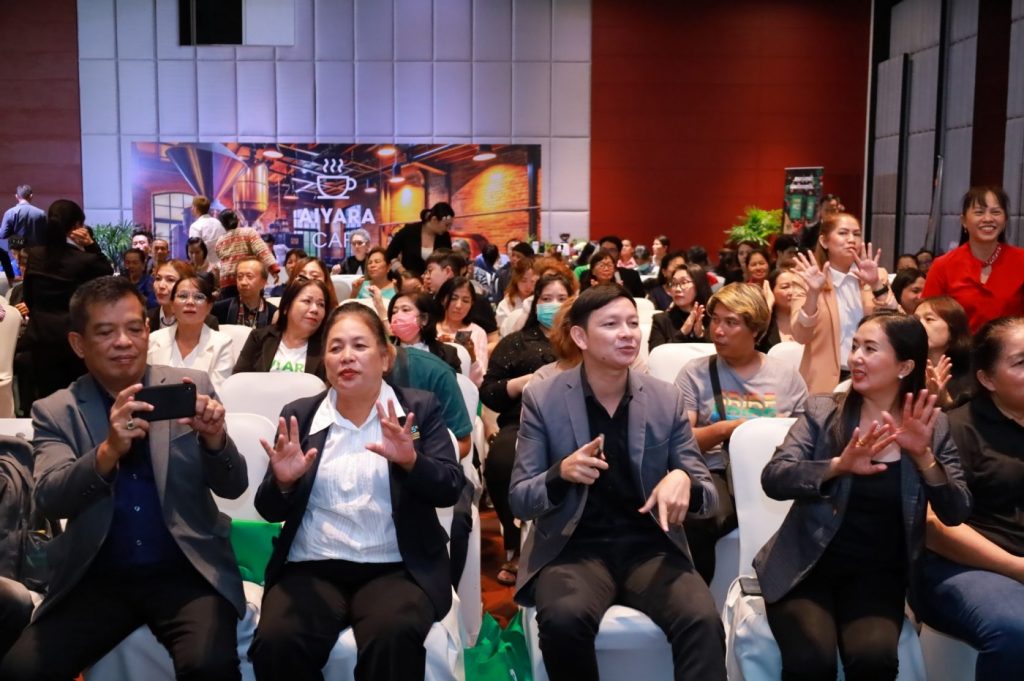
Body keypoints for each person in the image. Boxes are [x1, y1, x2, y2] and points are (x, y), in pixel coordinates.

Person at [0, 276, 247, 681]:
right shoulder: (57, 410)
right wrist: (108, 452)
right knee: (20, 671)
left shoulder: (190, 387)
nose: (123, 342)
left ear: (148, 331)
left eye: (134, 328)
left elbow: (233, 487)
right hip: (98, 576)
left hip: (186, 571)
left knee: (210, 666)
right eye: (105, 332)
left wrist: (215, 440)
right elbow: (49, 498)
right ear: (79, 344)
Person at [509, 285, 726, 681]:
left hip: (651, 548)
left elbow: (709, 497)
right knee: (563, 618)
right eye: (611, 325)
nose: (627, 333)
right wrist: (561, 474)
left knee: (702, 620)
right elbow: (521, 500)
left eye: (632, 323)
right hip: (574, 550)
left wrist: (683, 479)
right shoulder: (543, 398)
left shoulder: (664, 398)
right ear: (580, 337)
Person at [247, 303, 464, 681]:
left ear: (385, 358)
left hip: (396, 566)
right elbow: (268, 510)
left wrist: (412, 461)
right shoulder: (301, 415)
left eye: (359, 346)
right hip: (311, 564)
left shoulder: (415, 411)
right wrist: (283, 482)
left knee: (391, 637)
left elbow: (449, 488)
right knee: (278, 641)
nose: (346, 356)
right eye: (335, 348)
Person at [753, 311, 971, 681]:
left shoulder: (933, 427)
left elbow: (956, 511)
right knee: (811, 662)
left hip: (878, 576)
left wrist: (923, 457)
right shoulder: (823, 412)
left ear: (904, 366)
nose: (855, 358)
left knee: (874, 662)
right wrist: (837, 466)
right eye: (855, 347)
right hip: (806, 568)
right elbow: (774, 478)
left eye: (870, 349)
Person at [675, 283, 808, 582]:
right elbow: (682, 441)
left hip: (773, 469)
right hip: (717, 470)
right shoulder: (695, 373)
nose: (718, 330)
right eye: (715, 320)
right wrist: (729, 429)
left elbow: (807, 439)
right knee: (700, 516)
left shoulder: (786, 376)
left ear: (756, 330)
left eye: (731, 322)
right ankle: (695, 595)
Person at [917, 316, 1024, 678]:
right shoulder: (956, 428)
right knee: (1017, 630)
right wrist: (1017, 567)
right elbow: (933, 526)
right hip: (962, 566)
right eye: (1021, 362)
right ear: (987, 379)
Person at [481, 273, 572, 585]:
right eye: (546, 299)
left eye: (561, 298)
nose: (553, 305)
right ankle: (517, 541)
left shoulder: (582, 341)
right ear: (535, 304)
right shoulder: (516, 342)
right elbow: (489, 392)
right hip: (521, 420)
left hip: (572, 419)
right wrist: (521, 383)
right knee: (501, 460)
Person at [790, 212, 896, 393]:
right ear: (824, 241)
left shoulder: (877, 276)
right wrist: (813, 293)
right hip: (823, 383)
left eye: (856, 234)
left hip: (872, 375)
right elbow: (801, 336)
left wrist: (876, 285)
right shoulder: (806, 279)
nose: (851, 240)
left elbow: (898, 326)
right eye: (843, 233)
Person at [21, 199, 113, 402]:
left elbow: (28, 296)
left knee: (46, 400)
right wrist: (91, 245)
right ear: (78, 226)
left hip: (39, 337)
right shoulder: (85, 260)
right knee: (78, 399)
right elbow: (107, 274)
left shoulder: (35, 255)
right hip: (72, 340)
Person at [922, 186, 1024, 331]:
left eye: (996, 212)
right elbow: (927, 319)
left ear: (1005, 220)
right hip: (959, 345)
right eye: (979, 212)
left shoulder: (1021, 260)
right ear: (964, 221)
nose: (988, 219)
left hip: (1012, 344)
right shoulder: (943, 266)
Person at [148, 275, 234, 392]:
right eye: (183, 296)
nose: (190, 302)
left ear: (209, 307)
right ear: (172, 305)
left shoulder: (222, 343)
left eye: (199, 297)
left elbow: (217, 393)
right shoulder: (153, 339)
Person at [234, 278, 330, 379]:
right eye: (307, 301)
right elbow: (238, 380)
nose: (315, 309)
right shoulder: (259, 338)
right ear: (286, 307)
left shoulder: (326, 347)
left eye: (321, 304)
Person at [914, 296, 973, 408]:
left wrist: (945, 400)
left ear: (953, 330)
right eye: (916, 320)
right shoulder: (908, 367)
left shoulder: (972, 369)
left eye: (929, 319)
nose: (919, 325)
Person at [387, 292, 461, 373]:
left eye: (405, 310)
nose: (397, 316)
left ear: (424, 319)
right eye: (394, 312)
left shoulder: (447, 354)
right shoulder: (385, 351)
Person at [215, 209, 280, 299]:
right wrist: (274, 270)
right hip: (247, 279)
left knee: (230, 307)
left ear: (222, 225)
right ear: (238, 219)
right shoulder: (249, 233)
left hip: (227, 284)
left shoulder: (219, 241)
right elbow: (262, 252)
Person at [436, 276, 489, 385]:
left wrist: (471, 355)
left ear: (472, 304)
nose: (459, 305)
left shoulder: (477, 332)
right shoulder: (431, 329)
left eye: (465, 301)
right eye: (453, 298)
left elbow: (480, 381)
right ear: (442, 299)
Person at [648, 263, 713, 350]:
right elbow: (655, 355)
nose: (677, 289)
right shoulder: (661, 320)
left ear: (699, 285)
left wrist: (700, 335)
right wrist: (683, 332)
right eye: (674, 283)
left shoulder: (713, 319)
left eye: (684, 282)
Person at [384, 202, 455, 277]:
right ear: (434, 219)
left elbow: (449, 261)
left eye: (450, 225)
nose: (448, 229)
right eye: (446, 225)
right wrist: (403, 272)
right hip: (409, 281)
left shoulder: (445, 237)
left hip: (435, 282)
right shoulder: (408, 231)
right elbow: (389, 255)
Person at [212, 256, 277, 329]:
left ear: (263, 282)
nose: (243, 282)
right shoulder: (219, 309)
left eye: (249, 277)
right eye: (239, 277)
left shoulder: (274, 313)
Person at [0, 185, 47, 284]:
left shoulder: (10, 213)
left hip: (17, 249)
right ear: (31, 196)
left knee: (23, 276)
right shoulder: (41, 213)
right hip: (37, 251)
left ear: (16, 196)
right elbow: (46, 234)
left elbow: (3, 234)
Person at [578, 236, 644, 296]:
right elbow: (581, 300)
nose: (607, 253)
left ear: (619, 254)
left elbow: (640, 300)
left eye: (612, 250)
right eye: (603, 249)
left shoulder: (632, 276)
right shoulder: (586, 275)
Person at [760, 268, 801, 348]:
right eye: (785, 287)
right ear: (771, 291)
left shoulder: (808, 316)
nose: (792, 292)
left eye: (796, 286)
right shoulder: (766, 321)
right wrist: (769, 304)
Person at [495, 258, 537, 332]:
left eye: (533, 282)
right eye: (523, 281)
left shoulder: (539, 301)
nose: (528, 286)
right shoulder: (506, 304)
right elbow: (502, 331)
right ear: (516, 279)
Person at [187, 196, 225, 268]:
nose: (191, 209)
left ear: (196, 208)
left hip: (205, 268)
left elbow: (195, 250)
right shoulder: (219, 223)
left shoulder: (195, 226)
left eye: (192, 206)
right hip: (221, 266)